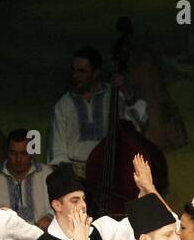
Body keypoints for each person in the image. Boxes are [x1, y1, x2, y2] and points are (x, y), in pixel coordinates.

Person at [49, 46, 147, 176]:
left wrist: (125, 90)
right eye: (73, 71)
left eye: (81, 71)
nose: (75, 76)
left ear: (95, 73)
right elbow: (57, 149)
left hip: (111, 170)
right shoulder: (63, 105)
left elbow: (138, 123)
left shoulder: (114, 96)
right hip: (77, 174)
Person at [0, 128, 53, 227]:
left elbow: (62, 204)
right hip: (5, 239)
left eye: (24, 154)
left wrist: (50, 216)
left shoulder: (47, 174)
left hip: (42, 235)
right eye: (13, 153)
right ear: (6, 152)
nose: (18, 159)